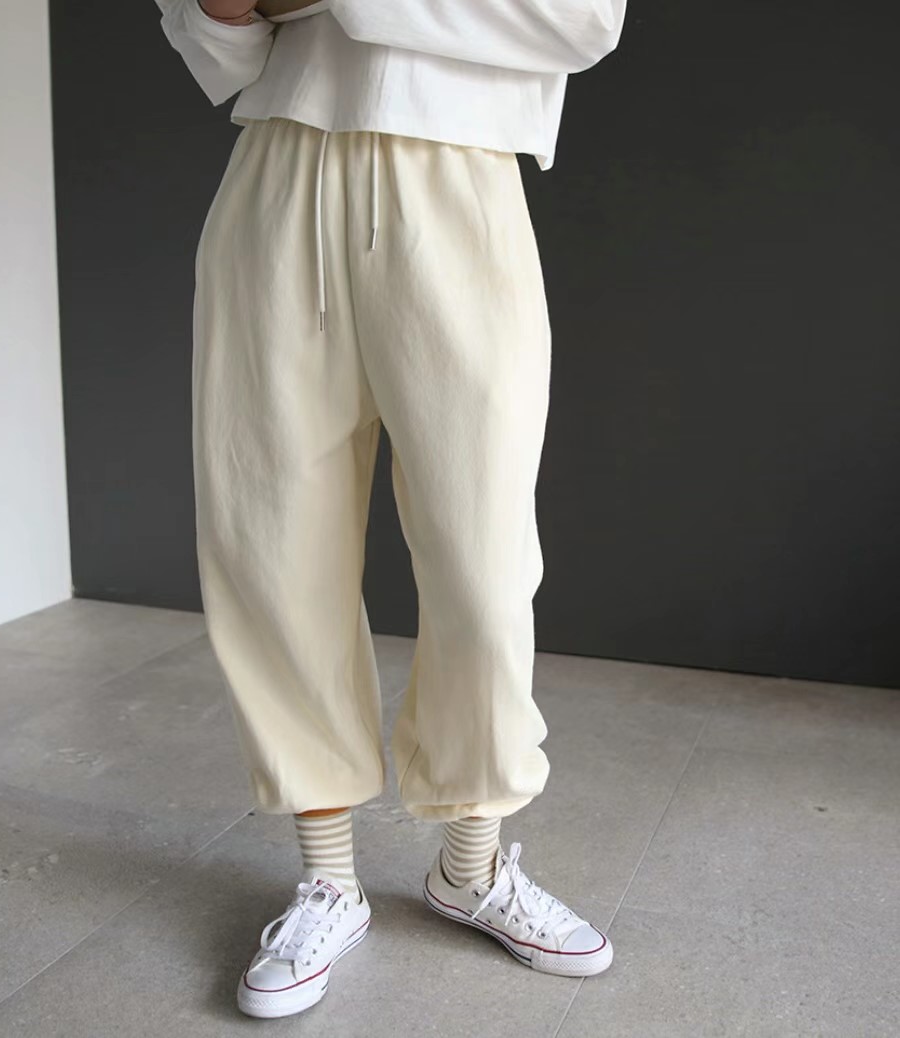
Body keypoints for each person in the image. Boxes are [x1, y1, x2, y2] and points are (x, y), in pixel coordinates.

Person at [153, 0, 628, 1019]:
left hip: (457, 179)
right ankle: (327, 875)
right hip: (280, 170)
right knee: (270, 536)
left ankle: (471, 864)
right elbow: (218, 54)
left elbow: (586, 22)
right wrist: (219, 12)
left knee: (484, 560)